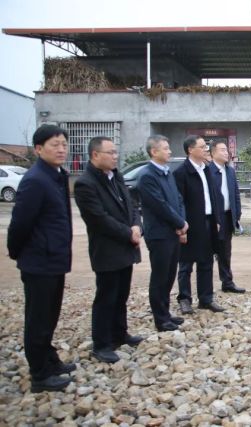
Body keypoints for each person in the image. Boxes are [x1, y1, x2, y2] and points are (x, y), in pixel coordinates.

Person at [7, 124, 76, 392]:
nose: (61, 149)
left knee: (50, 315)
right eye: (54, 145)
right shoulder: (36, 179)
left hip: (54, 259)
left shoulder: (56, 175)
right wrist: (18, 252)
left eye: (63, 144)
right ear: (38, 149)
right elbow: (20, 224)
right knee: (38, 318)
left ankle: (49, 360)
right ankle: (40, 374)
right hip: (39, 261)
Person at [74, 137, 144, 364]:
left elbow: (131, 206)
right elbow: (98, 219)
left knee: (121, 294)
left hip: (126, 245)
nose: (115, 156)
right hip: (107, 249)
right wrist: (128, 233)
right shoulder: (86, 184)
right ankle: (102, 344)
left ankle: (119, 333)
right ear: (95, 155)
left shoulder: (116, 176)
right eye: (110, 153)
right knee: (106, 296)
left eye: (116, 152)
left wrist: (136, 226)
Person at [137, 135, 189, 331]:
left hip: (174, 231)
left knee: (169, 274)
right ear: (154, 152)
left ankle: (166, 312)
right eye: (165, 148)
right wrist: (179, 222)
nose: (169, 151)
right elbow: (160, 206)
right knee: (160, 276)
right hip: (159, 234)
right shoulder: (147, 176)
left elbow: (178, 200)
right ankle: (160, 319)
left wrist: (182, 222)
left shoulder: (167, 172)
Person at [173, 136, 225, 314]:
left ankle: (206, 298)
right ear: (190, 150)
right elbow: (178, 202)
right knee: (186, 264)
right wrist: (181, 226)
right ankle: (185, 299)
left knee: (206, 262)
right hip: (190, 224)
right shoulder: (181, 173)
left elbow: (214, 197)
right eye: (202, 147)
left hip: (208, 222)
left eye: (206, 147)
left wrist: (217, 220)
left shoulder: (208, 170)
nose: (205, 150)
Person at [209, 141, 245, 294]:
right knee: (208, 252)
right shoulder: (207, 171)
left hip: (227, 216)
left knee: (225, 251)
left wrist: (237, 214)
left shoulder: (230, 171)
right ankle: (205, 288)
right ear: (213, 153)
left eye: (226, 150)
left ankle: (227, 282)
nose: (226, 153)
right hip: (211, 218)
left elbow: (235, 193)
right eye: (222, 150)